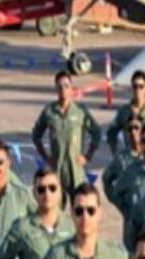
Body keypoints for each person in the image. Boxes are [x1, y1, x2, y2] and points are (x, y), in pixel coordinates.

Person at [31, 70, 101, 204]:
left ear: (71, 88)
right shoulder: (49, 112)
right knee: (55, 208)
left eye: (66, 85)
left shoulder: (80, 111)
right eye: (59, 86)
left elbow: (96, 132)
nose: (63, 89)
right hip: (56, 169)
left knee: (79, 205)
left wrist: (87, 156)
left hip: (75, 169)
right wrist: (46, 157)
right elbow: (36, 135)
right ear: (56, 89)